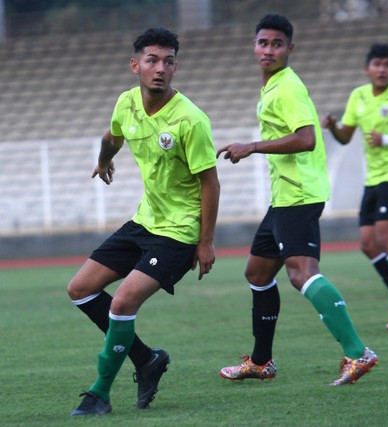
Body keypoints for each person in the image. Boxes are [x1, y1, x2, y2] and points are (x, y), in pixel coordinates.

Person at [216, 14, 377, 386]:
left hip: (299, 195)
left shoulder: (287, 87)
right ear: (254, 46)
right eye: (263, 43)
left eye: (277, 44)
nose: (268, 49)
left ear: (290, 48)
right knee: (257, 272)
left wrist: (252, 146)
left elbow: (307, 138)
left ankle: (357, 352)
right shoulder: (273, 86)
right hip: (284, 197)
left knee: (302, 274)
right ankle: (260, 362)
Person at [67, 28, 220, 416]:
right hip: (145, 220)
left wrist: (205, 242)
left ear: (175, 67)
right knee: (80, 288)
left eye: (168, 62)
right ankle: (147, 359)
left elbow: (210, 182)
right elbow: (112, 135)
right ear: (136, 65)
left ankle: (99, 393)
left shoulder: (190, 120)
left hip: (179, 231)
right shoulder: (126, 103)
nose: (160, 69)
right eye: (152, 60)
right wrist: (104, 159)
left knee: (123, 301)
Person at [321, 43, 388, 333]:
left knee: (385, 238)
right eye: (377, 64)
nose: (382, 69)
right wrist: (333, 126)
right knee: (368, 245)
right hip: (373, 180)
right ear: (367, 68)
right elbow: (345, 136)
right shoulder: (358, 96)